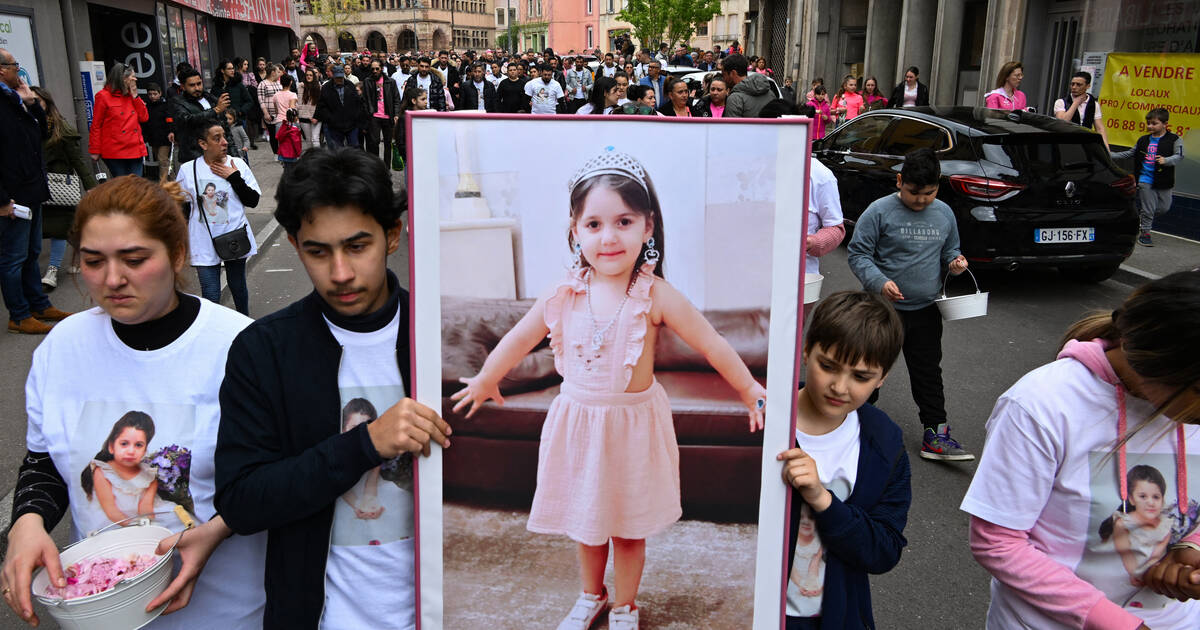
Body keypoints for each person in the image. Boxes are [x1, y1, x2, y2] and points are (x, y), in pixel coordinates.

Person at [451, 149, 767, 630]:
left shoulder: (656, 294)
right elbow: (519, 337)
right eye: (594, 224)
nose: (609, 237)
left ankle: (625, 604)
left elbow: (712, 342)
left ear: (648, 226)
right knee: (587, 521)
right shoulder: (564, 292)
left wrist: (749, 389)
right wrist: (489, 375)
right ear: (575, 230)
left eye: (623, 221)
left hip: (633, 428)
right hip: (579, 423)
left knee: (628, 527)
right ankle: (590, 594)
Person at [0, 175, 267, 628]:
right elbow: (46, 458)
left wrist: (219, 529)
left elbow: (280, 474)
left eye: (134, 259)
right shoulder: (62, 347)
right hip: (102, 613)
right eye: (93, 261)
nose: (113, 279)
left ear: (177, 254)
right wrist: (28, 522)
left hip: (224, 611)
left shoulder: (240, 346)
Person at [214, 148, 449, 628]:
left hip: (446, 609)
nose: (340, 273)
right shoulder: (264, 349)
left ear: (393, 236)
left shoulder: (440, 334)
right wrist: (364, 444)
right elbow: (242, 500)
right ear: (295, 244)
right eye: (318, 252)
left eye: (357, 247)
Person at [962, 270, 1200, 629]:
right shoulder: (1042, 404)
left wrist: (1190, 548)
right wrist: (1117, 623)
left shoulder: (1189, 411)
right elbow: (997, 542)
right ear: (1158, 362)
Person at [778, 291, 911, 629]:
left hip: (836, 614)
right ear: (807, 349)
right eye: (828, 366)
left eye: (861, 376)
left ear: (882, 378)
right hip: (754, 611)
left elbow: (884, 549)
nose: (839, 386)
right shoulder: (767, 421)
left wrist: (824, 501)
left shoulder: (883, 443)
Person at [846, 147, 972, 461]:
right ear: (900, 181)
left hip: (926, 310)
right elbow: (858, 253)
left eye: (928, 193)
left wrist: (955, 264)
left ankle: (936, 434)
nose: (920, 200)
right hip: (881, 311)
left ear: (938, 186)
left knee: (928, 372)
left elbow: (950, 251)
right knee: (870, 370)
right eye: (914, 192)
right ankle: (852, 427)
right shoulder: (879, 211)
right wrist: (879, 282)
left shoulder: (943, 212)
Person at [0, 47, 71, 335]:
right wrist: (2, 199)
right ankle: (18, 315)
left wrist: (33, 105)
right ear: (2, 69)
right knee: (13, 258)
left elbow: (41, 134)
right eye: (15, 64)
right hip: (12, 196)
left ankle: (39, 305)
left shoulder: (16, 98)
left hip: (32, 190)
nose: (19, 69)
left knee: (31, 253)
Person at [176, 120, 259, 315]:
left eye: (224, 136)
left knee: (237, 286)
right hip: (203, 240)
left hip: (234, 236)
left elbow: (253, 200)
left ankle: (243, 324)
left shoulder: (237, 164)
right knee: (211, 293)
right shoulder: (188, 170)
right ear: (203, 144)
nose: (224, 142)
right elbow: (180, 207)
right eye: (217, 138)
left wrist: (233, 177)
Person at [33, 86, 97, 292]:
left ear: (46, 103)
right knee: (45, 228)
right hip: (34, 185)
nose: (33, 105)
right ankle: (82, 251)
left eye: (37, 101)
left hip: (59, 185)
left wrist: (90, 187)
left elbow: (77, 160)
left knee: (58, 228)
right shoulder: (24, 126)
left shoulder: (61, 129)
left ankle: (51, 271)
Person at [1111, 108, 1183, 247]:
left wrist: (1166, 160)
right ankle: (1145, 234)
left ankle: (1138, 220)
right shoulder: (1143, 140)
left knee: (1164, 208)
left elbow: (1179, 156)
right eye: (1148, 123)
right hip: (1145, 179)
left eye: (1154, 123)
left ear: (1165, 124)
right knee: (1148, 209)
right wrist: (1110, 154)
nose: (1150, 126)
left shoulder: (1174, 139)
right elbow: (1130, 153)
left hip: (1164, 180)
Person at [88, 62, 148, 177]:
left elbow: (144, 118)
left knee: (136, 187)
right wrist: (95, 150)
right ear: (123, 78)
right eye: (132, 76)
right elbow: (96, 125)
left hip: (135, 149)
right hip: (114, 151)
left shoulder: (132, 96)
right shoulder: (103, 96)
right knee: (122, 188)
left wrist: (135, 96)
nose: (135, 79)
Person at [169, 68, 229, 166]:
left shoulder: (211, 99)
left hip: (218, 155)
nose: (197, 88)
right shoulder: (177, 102)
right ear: (183, 87)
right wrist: (215, 110)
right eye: (192, 85)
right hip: (194, 158)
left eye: (199, 83)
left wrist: (235, 156)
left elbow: (225, 128)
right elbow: (188, 120)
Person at [804, 155, 845, 281]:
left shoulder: (819, 174)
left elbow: (836, 228)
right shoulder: (745, 164)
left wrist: (812, 242)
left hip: (797, 281)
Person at [1054, 71, 1110, 147]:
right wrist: (1075, 103)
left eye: (1078, 85)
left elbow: (1100, 129)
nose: (1074, 87)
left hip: (1085, 145)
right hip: (1065, 144)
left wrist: (1106, 149)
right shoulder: (1061, 102)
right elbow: (1062, 122)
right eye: (1072, 84)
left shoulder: (1093, 104)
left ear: (1088, 86)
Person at [318, 65, 367, 149]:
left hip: (351, 125)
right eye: (337, 77)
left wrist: (355, 118)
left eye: (341, 77)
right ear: (333, 76)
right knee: (337, 150)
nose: (339, 80)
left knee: (354, 148)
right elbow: (322, 105)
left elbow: (357, 104)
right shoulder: (326, 88)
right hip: (334, 125)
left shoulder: (350, 85)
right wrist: (330, 118)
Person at [361, 59, 402, 160]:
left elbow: (396, 99)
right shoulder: (367, 81)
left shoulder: (390, 81)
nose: (374, 71)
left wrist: (396, 114)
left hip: (388, 116)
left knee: (388, 144)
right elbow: (365, 99)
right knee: (374, 143)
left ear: (382, 69)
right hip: (374, 116)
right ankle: (377, 166)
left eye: (377, 69)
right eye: (373, 69)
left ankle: (386, 168)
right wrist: (369, 113)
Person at [142, 83, 172, 181]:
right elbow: (145, 123)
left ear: (160, 93)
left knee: (162, 159)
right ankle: (173, 180)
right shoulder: (147, 106)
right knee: (163, 161)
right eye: (150, 94)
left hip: (164, 138)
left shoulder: (165, 105)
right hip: (153, 138)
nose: (152, 96)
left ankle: (163, 183)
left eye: (155, 94)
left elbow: (169, 119)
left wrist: (171, 131)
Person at [298, 68, 322, 150]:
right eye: (307, 75)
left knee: (315, 139)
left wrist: (316, 116)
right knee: (308, 140)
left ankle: (318, 159)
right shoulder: (300, 86)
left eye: (311, 75)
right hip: (304, 116)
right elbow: (299, 102)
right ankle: (311, 159)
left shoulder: (319, 87)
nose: (308, 77)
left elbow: (320, 104)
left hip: (316, 116)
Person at [275, 109, 303, 174]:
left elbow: (278, 137)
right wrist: (299, 152)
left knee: (287, 168)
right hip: (291, 153)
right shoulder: (294, 129)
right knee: (291, 169)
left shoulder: (284, 126)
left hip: (283, 152)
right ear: (295, 117)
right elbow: (296, 142)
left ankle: (286, 178)